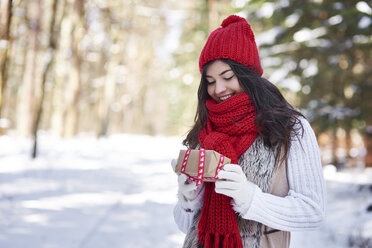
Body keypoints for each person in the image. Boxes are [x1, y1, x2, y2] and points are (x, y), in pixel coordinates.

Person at [172, 15, 326, 248]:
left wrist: (249, 198)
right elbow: (187, 225)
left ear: (247, 75)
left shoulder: (290, 128)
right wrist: (188, 198)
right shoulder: (205, 131)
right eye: (210, 81)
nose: (218, 89)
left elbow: (313, 211)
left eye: (227, 77)